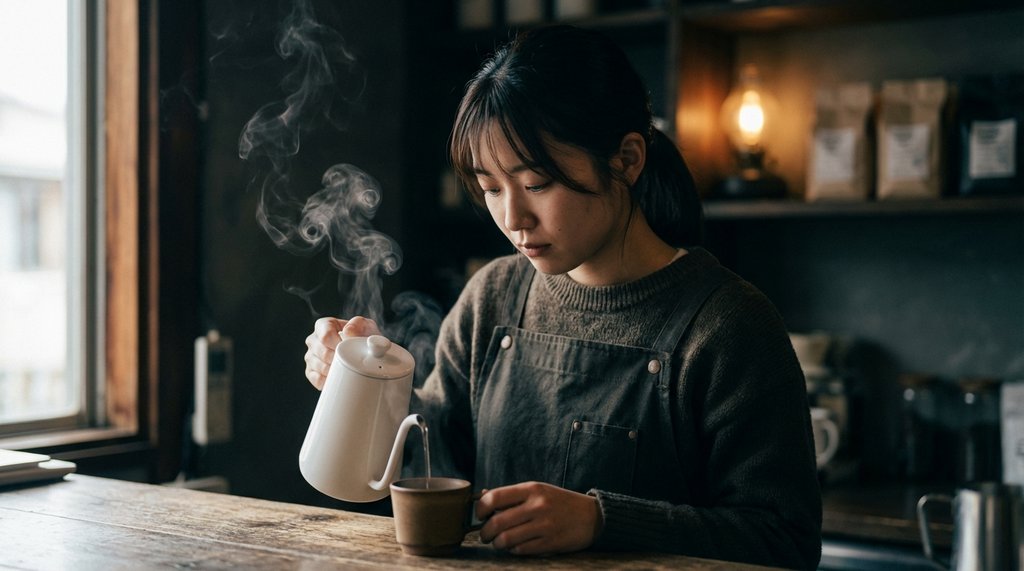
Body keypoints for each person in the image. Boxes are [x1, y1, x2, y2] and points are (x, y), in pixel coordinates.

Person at [304, 25, 821, 569]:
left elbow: (784, 541)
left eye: (536, 185)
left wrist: (602, 521)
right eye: (491, 188)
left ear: (626, 159)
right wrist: (357, 384)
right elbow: (423, 457)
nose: (512, 219)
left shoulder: (728, 326)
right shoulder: (493, 297)